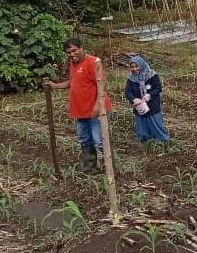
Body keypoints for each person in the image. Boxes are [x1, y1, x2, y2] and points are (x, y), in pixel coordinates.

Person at [45, 38, 113, 173]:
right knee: (85, 139)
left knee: (99, 139)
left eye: (74, 50)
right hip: (81, 110)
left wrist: (98, 104)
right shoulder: (73, 64)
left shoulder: (93, 62)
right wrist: (55, 85)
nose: (72, 54)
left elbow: (102, 84)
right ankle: (90, 167)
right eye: (69, 52)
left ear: (82, 48)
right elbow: (72, 81)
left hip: (96, 110)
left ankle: (110, 168)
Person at [124, 55, 171, 145]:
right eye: (132, 67)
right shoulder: (131, 78)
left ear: (141, 65)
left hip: (152, 105)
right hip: (140, 107)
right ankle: (146, 141)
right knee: (142, 125)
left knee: (155, 123)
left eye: (136, 66)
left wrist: (149, 95)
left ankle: (162, 141)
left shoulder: (152, 75)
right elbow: (128, 92)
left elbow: (158, 88)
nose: (134, 69)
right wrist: (134, 99)